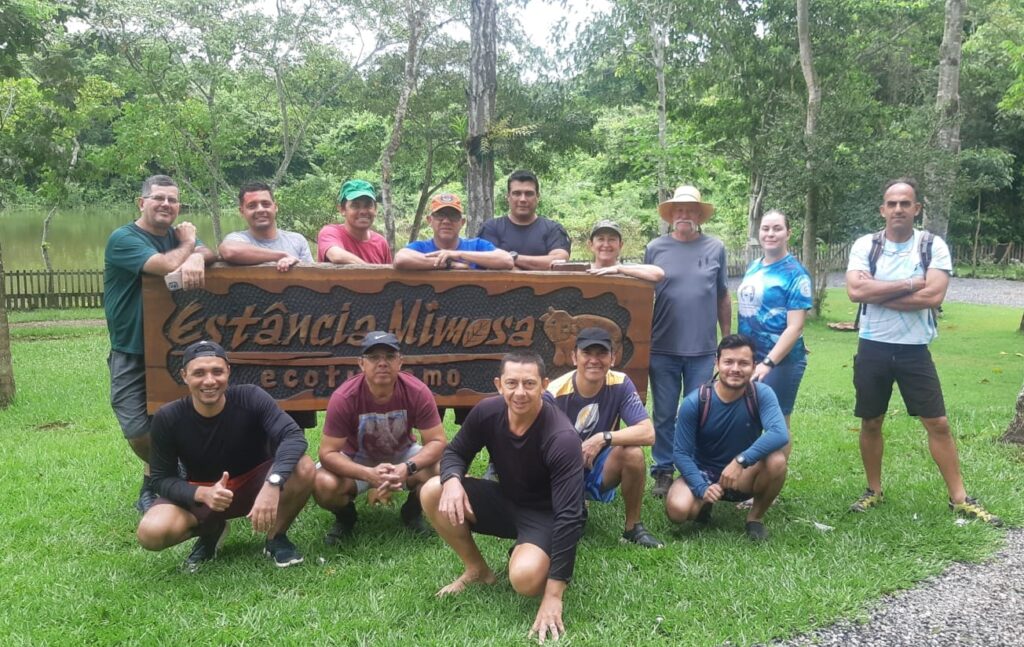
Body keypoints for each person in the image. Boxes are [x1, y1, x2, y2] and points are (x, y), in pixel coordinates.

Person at [845, 178, 1001, 525]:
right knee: (871, 420)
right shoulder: (866, 245)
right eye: (892, 203)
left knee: (938, 423)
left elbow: (933, 297)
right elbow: (856, 291)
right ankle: (873, 490)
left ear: (916, 208)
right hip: (873, 345)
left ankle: (959, 498)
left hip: (915, 349)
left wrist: (879, 291)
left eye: (905, 203)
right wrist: (909, 283)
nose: (898, 209)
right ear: (882, 209)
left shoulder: (933, 245)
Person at [421, 351, 585, 644]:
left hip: (545, 513)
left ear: (544, 385)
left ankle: (530, 553)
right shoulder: (487, 412)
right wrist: (453, 481)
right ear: (499, 384)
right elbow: (456, 452)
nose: (519, 392)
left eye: (529, 384)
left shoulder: (561, 437)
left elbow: (569, 517)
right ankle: (477, 570)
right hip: (506, 499)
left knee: (524, 580)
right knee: (434, 489)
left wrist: (553, 595)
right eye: (511, 383)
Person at [136, 340, 316, 571]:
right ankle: (212, 529)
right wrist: (202, 493)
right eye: (199, 373)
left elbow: (293, 436)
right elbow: (161, 478)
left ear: (228, 372)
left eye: (217, 371)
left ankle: (276, 538)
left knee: (304, 466)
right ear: (184, 376)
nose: (209, 381)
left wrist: (274, 482)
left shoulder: (250, 397)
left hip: (256, 484)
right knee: (151, 533)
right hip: (204, 493)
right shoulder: (168, 417)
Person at [104, 174, 217, 513]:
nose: (166, 204)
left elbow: (210, 252)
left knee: (172, 419)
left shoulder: (174, 239)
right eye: (158, 198)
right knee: (137, 427)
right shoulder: (123, 239)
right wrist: (189, 243)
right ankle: (169, 472)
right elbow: (165, 265)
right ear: (142, 203)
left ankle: (156, 481)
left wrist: (197, 255)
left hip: (173, 348)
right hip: (131, 348)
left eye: (172, 199)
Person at [314, 331, 446, 541]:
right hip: (356, 458)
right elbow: (327, 453)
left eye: (390, 357)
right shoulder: (344, 397)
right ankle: (346, 518)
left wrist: (408, 467)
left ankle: (412, 511)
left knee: (445, 469)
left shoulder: (417, 391)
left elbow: (438, 441)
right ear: (361, 363)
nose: (382, 363)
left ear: (400, 362)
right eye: (374, 357)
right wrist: (368, 474)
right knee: (323, 483)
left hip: (403, 454)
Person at [644, 184, 731, 498]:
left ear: (699, 215)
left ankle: (693, 467)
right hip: (663, 346)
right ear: (671, 215)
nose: (684, 215)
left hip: (703, 349)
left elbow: (722, 295)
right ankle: (663, 470)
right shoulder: (655, 248)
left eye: (690, 210)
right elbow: (643, 296)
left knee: (697, 411)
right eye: (678, 210)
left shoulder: (715, 248)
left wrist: (726, 341)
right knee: (665, 412)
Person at [664, 335, 789, 541]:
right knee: (678, 511)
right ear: (717, 363)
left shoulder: (762, 394)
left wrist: (741, 461)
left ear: (754, 366)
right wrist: (701, 487)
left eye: (743, 363)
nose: (735, 369)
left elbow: (779, 433)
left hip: (743, 475)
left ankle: (755, 518)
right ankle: (705, 503)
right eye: (728, 361)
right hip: (704, 472)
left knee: (777, 460)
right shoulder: (696, 401)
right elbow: (681, 453)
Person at [547, 327, 663, 548]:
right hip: (560, 470)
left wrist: (602, 437)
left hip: (598, 464)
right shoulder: (554, 392)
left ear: (613, 357)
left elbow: (648, 433)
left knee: (633, 453)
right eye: (586, 353)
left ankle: (633, 528)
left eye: (601, 353)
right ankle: (572, 504)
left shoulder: (620, 383)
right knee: (567, 529)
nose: (594, 360)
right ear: (574, 357)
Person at [736, 209, 811, 452]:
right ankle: (748, 481)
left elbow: (796, 326)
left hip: (780, 362)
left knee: (777, 425)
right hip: (750, 358)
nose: (770, 233)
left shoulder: (795, 274)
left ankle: (771, 485)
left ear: (788, 233)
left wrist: (768, 363)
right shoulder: (754, 266)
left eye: (777, 228)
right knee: (748, 420)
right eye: (765, 228)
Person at [394, 192, 513, 270]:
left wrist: (458, 254)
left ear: (462, 222)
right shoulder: (421, 248)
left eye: (453, 216)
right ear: (430, 220)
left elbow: (506, 260)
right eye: (440, 215)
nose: (446, 221)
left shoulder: (477, 245)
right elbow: (400, 259)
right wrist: (449, 264)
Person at [478, 170, 571, 270]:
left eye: (529, 194)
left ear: (537, 197)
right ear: (508, 197)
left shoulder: (553, 229)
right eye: (517, 193)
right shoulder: (491, 228)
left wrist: (511, 258)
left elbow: (559, 261)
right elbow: (487, 261)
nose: (523, 199)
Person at [219, 181, 313, 272]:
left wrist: (295, 263)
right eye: (252, 206)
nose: (260, 209)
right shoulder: (237, 239)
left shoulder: (297, 240)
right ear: (242, 212)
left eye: (265, 204)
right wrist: (282, 256)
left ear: (275, 207)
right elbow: (230, 251)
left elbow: (312, 276)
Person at [316, 179, 393, 264]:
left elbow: (388, 275)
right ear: (342, 210)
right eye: (355, 206)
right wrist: (372, 273)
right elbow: (337, 256)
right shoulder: (330, 232)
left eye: (368, 205)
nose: (363, 211)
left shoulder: (381, 243)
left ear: (375, 209)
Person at [575, 219, 664, 281]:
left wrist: (619, 269)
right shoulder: (581, 271)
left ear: (620, 245)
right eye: (601, 239)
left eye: (612, 239)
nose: (606, 245)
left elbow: (658, 274)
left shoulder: (628, 269)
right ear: (591, 245)